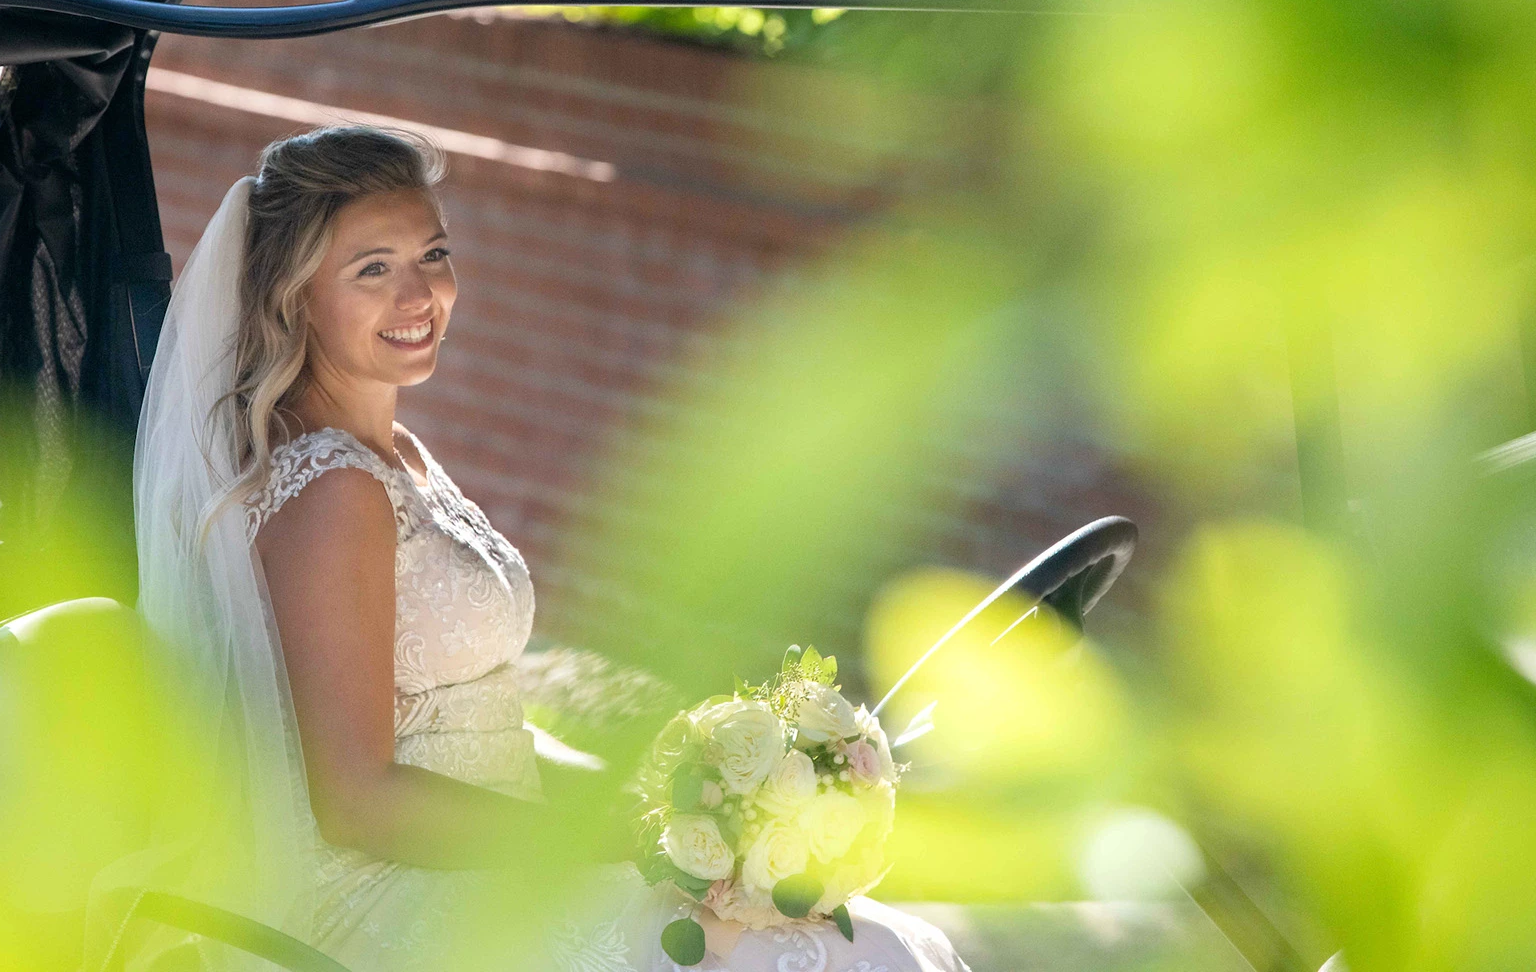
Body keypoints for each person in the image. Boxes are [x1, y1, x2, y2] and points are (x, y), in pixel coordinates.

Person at [119, 125, 969, 971]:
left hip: (481, 859)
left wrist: (663, 800)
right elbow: (357, 801)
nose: (420, 295)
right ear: (294, 295)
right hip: (389, 902)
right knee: (851, 954)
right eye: (372, 269)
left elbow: (473, 719)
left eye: (434, 254)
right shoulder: (334, 492)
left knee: (856, 938)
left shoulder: (398, 456)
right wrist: (611, 839)